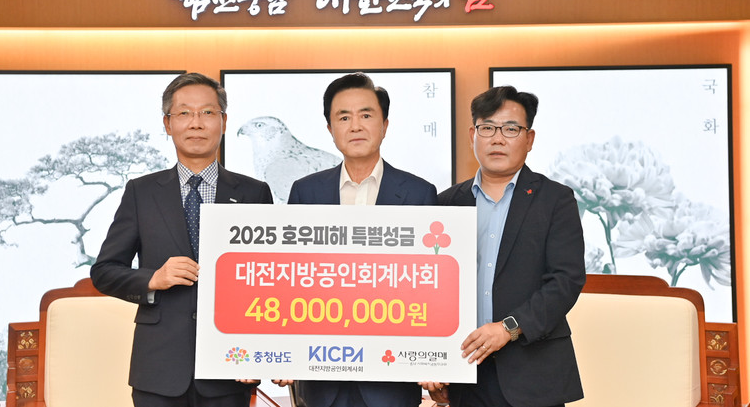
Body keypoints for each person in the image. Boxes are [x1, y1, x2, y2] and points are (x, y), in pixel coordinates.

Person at [90, 72, 274, 407]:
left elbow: (269, 280)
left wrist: (261, 352)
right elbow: (104, 272)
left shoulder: (254, 193)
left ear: (223, 122)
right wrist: (153, 279)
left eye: (208, 112)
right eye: (185, 113)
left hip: (229, 368)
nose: (196, 123)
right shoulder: (141, 192)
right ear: (168, 123)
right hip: (158, 370)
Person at [284, 72, 437, 407]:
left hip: (390, 380)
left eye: (366, 115)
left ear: (384, 125)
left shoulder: (419, 194)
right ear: (330, 129)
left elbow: (428, 286)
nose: (355, 126)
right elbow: (293, 281)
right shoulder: (306, 192)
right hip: (321, 379)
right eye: (343, 117)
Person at [429, 86, 585, 406]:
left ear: (529, 139)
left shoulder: (555, 200)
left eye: (511, 129)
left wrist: (508, 328)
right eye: (487, 128)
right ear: (473, 135)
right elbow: (432, 288)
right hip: (467, 370)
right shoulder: (446, 204)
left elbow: (565, 281)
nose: (497, 139)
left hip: (533, 374)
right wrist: (435, 363)